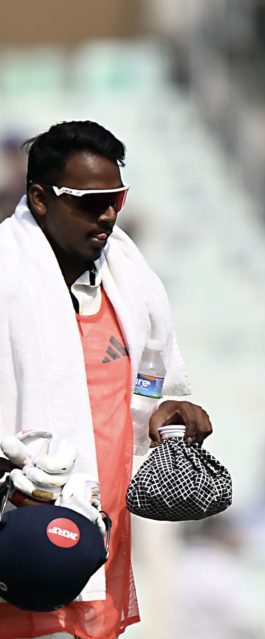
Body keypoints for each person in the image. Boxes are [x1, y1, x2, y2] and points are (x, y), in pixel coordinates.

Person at [0, 121, 213, 639]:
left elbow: (144, 383)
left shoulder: (128, 279)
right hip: (20, 536)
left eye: (116, 197)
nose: (109, 214)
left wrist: (165, 407)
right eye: (90, 201)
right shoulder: (7, 274)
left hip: (102, 533)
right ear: (40, 198)